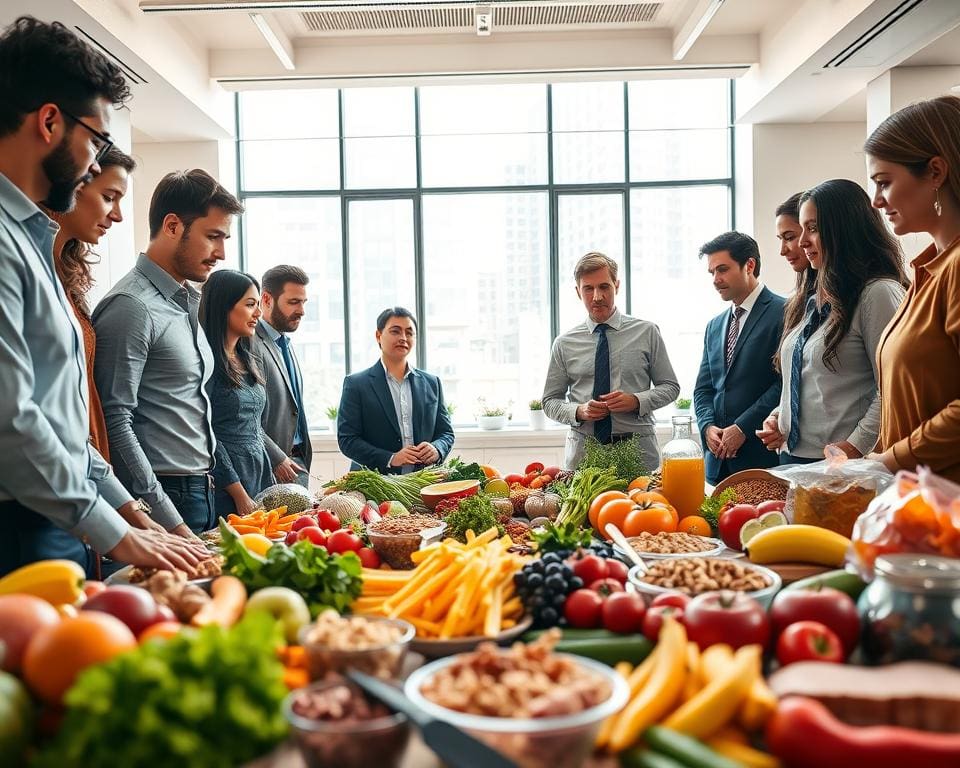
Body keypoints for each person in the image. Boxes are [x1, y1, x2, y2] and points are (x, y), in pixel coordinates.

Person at [0, 16, 208, 576]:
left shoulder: (30, 239)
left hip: (60, 515)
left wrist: (131, 517)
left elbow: (65, 425)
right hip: (21, 525)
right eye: (96, 140)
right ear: (49, 122)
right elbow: (11, 422)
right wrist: (120, 532)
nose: (96, 163)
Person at [93, 169, 244, 534]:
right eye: (213, 237)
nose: (221, 253)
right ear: (173, 225)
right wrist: (165, 515)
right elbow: (114, 421)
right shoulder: (132, 306)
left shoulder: (185, 302)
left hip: (200, 491)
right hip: (163, 498)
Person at [756, 179, 908, 464]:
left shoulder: (878, 294)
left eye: (812, 229)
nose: (802, 242)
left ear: (845, 229)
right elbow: (810, 381)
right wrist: (780, 417)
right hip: (794, 458)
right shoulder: (812, 301)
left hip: (844, 467)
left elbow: (893, 390)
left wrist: (852, 448)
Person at [863, 95, 960, 482]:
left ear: (935, 172)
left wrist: (888, 460)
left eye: (885, 183)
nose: (876, 200)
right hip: (917, 501)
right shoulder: (926, 270)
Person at [542, 252, 680, 470]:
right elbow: (549, 401)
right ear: (578, 292)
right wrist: (578, 411)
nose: (597, 296)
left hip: (639, 453)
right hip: (584, 456)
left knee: (648, 505)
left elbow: (670, 387)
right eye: (588, 288)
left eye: (604, 286)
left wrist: (636, 400)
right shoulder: (564, 343)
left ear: (617, 285)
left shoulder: (647, 332)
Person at [693, 232, 786, 484]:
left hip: (763, 459)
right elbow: (703, 388)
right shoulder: (714, 325)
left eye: (722, 269)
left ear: (750, 265)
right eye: (711, 272)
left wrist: (743, 427)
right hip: (716, 463)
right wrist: (707, 427)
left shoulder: (786, 311)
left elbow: (786, 383)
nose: (716, 279)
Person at [337, 307, 455, 474]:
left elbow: (446, 433)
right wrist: (390, 458)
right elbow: (347, 440)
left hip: (424, 481)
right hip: (375, 483)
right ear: (378, 336)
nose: (403, 338)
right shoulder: (356, 384)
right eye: (395, 331)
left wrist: (437, 448)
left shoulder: (432, 383)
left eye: (409, 333)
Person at [200, 270, 276, 515]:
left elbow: (254, 426)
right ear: (224, 306)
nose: (258, 313)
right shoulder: (205, 363)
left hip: (259, 473)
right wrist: (238, 493)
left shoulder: (248, 358)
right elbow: (207, 434)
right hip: (226, 483)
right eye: (250, 304)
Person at [252, 265, 312, 486]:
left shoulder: (285, 343)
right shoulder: (249, 343)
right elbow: (245, 417)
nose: (302, 310)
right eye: (294, 302)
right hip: (271, 467)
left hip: (298, 462)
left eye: (303, 302)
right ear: (266, 299)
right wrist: (276, 457)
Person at [775, 192, 819, 364]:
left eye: (789, 237)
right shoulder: (801, 302)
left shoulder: (875, 292)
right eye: (780, 239)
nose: (782, 250)